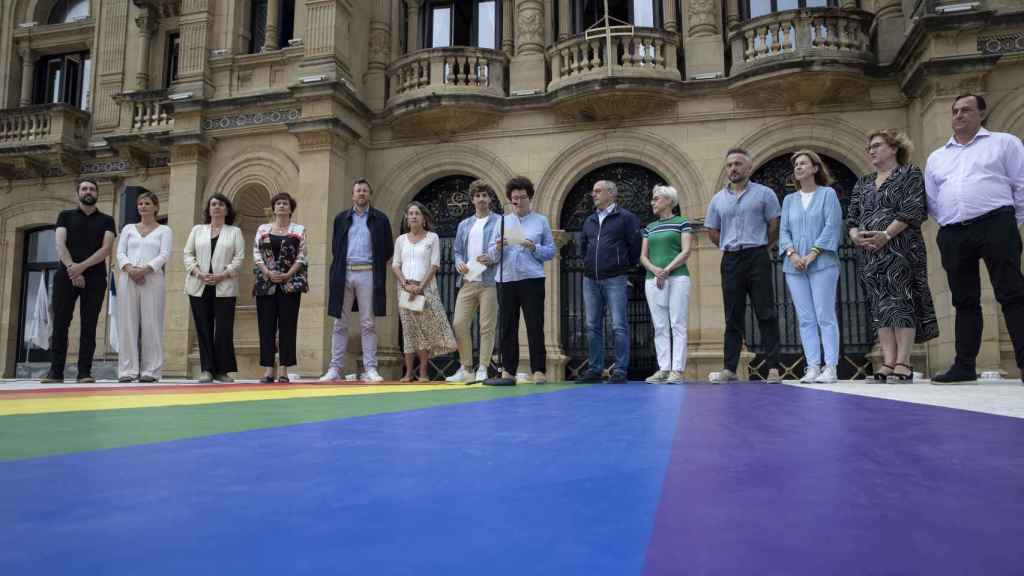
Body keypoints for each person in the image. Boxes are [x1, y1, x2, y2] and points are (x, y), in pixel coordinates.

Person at [925, 93, 1024, 384]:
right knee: (964, 300)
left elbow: (1021, 184)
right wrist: (949, 226)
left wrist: (1009, 223)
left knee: (1013, 294)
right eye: (955, 111)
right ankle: (964, 365)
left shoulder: (1004, 143)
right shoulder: (937, 156)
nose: (959, 115)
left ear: (982, 114)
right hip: (954, 232)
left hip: (996, 224)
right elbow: (932, 200)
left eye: (966, 110)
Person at [848, 130, 939, 382]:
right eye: (869, 148)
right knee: (880, 305)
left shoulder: (909, 173)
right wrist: (855, 235)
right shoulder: (863, 182)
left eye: (877, 146)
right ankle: (888, 361)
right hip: (870, 254)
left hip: (901, 249)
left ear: (894, 148)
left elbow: (913, 209)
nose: (871, 151)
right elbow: (853, 215)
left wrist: (886, 235)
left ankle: (903, 362)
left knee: (901, 301)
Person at [705, 148, 783, 382]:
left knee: (766, 313)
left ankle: (773, 368)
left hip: (757, 256)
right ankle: (729, 369)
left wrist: (762, 247)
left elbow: (774, 225)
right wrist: (730, 246)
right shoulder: (718, 199)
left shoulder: (765, 194)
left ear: (748, 168)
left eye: (738, 164)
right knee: (732, 316)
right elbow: (712, 230)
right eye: (729, 165)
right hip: (731, 259)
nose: (733, 169)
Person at [41, 178, 117, 384]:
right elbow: (59, 244)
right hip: (66, 274)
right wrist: (72, 270)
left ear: (97, 193)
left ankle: (84, 372)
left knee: (89, 325)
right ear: (78, 193)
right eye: (84, 188)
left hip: (94, 277)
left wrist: (80, 268)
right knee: (60, 323)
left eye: (92, 188)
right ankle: (55, 372)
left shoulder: (107, 220)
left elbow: (106, 249)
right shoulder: (65, 216)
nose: (88, 191)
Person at [779, 150, 843, 383]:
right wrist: (793, 254)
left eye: (803, 163)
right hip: (793, 266)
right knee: (805, 318)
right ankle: (812, 366)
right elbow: (783, 230)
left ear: (815, 168)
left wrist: (813, 253)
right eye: (796, 164)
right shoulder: (789, 200)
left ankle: (831, 367)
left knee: (825, 315)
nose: (798, 167)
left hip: (823, 263)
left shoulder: (828, 194)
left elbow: (832, 226)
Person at [323, 179, 394, 382]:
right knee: (339, 322)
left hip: (368, 273)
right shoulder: (341, 219)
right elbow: (336, 247)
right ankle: (335, 368)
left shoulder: (380, 219)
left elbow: (387, 249)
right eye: (358, 190)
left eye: (364, 190)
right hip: (344, 272)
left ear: (369, 194)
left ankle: (370, 368)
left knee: (368, 323)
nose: (361, 193)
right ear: (353, 195)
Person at [488, 176, 556, 383]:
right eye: (515, 198)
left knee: (535, 324)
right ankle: (508, 369)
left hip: (531, 278)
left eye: (523, 197)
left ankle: (539, 370)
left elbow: (551, 251)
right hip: (506, 278)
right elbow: (490, 254)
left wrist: (533, 247)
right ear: (510, 199)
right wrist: (497, 248)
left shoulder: (540, 221)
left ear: (530, 198)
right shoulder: (501, 221)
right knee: (508, 325)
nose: (518, 201)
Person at [575, 180, 642, 384]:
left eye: (598, 191)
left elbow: (635, 245)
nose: (593, 194)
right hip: (590, 278)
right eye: (593, 191)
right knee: (592, 324)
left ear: (611, 194)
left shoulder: (626, 218)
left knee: (618, 325)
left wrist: (623, 267)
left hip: (615, 278)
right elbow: (583, 245)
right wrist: (587, 264)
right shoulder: (589, 220)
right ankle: (595, 369)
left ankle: (620, 370)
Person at [183, 193, 245, 383]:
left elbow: (239, 258)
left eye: (220, 204)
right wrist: (199, 273)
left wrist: (223, 275)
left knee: (223, 329)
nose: (216, 207)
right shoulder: (197, 230)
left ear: (227, 209)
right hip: (199, 284)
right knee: (203, 328)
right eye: (213, 204)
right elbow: (187, 254)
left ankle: (222, 371)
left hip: (224, 285)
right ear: (208, 209)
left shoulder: (234, 232)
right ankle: (207, 370)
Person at [392, 202, 457, 381]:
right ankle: (407, 373)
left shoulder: (432, 238)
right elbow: (395, 265)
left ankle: (423, 373)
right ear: (407, 218)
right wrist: (406, 284)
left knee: (425, 331)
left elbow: (435, 265)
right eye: (411, 213)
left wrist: (420, 287)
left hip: (426, 289)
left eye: (417, 213)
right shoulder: (400, 240)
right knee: (409, 330)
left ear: (423, 218)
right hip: (405, 290)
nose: (413, 216)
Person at [446, 180, 500, 383]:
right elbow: (458, 250)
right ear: (472, 199)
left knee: (487, 326)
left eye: (485, 195)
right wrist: (459, 263)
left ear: (489, 198)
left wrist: (492, 256)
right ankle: (466, 367)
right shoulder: (464, 225)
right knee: (459, 323)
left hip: (489, 281)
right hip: (468, 281)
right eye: (477, 196)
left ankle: (483, 367)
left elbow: (502, 247)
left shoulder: (498, 222)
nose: (481, 199)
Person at [115, 191, 171, 383]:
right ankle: (127, 370)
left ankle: (151, 371)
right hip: (128, 277)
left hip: (152, 279)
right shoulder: (128, 229)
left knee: (151, 323)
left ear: (155, 207)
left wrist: (145, 269)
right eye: (140, 204)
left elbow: (164, 255)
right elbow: (120, 252)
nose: (143, 207)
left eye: (147, 203)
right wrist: (131, 269)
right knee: (128, 323)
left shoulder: (164, 231)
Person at [639, 185, 693, 384]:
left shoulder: (682, 222)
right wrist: (655, 270)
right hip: (652, 279)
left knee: (677, 323)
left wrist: (667, 269)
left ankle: (677, 369)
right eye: (653, 199)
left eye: (657, 198)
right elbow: (643, 256)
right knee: (660, 325)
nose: (653, 202)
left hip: (677, 277)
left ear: (669, 201)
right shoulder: (649, 228)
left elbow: (686, 251)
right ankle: (664, 369)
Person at [253, 192, 308, 383]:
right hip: (266, 284)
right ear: (273, 208)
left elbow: (302, 255)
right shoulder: (263, 229)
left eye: (285, 203)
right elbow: (256, 254)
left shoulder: (299, 229)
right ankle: (269, 369)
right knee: (266, 326)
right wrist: (268, 273)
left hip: (290, 284)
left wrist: (287, 274)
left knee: (287, 326)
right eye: (278, 203)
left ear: (291, 208)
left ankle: (283, 370)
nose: (281, 206)